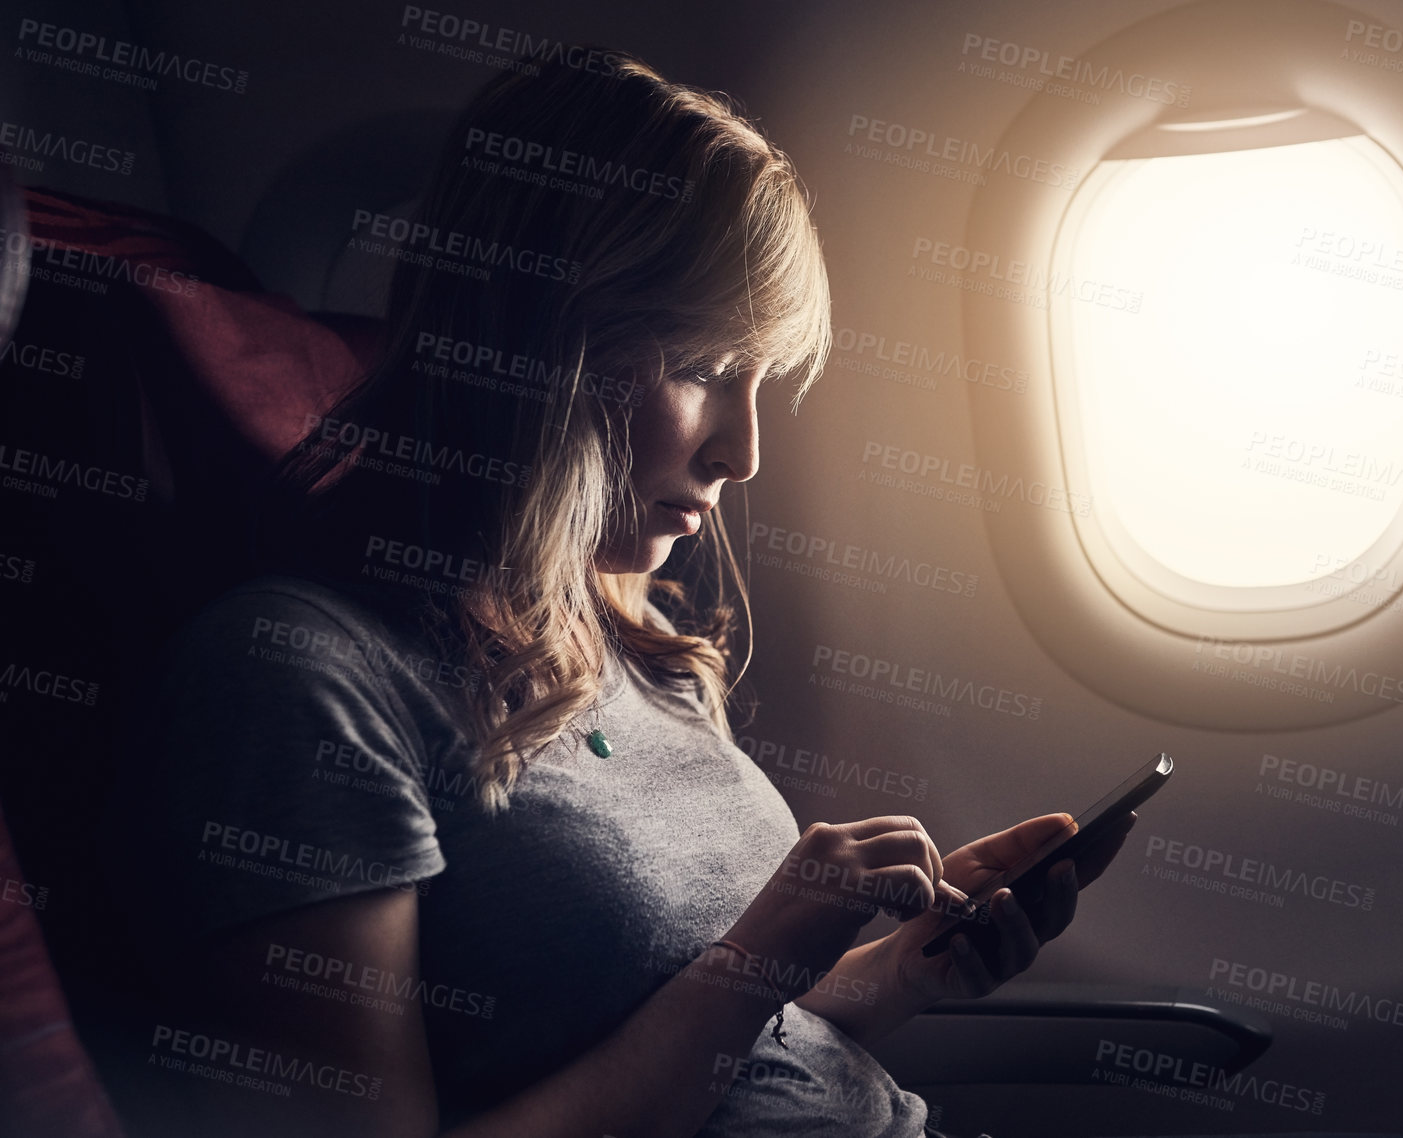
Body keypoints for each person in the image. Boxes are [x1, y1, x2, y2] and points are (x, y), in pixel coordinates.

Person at [101, 48, 1133, 1138]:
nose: (741, 451)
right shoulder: (297, 682)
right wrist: (753, 958)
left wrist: (901, 970)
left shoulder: (632, 646)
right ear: (543, 340)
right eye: (700, 364)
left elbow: (707, 1040)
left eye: (758, 378)